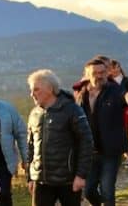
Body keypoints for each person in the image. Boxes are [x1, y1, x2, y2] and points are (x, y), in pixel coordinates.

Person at [77, 58, 128, 206]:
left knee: (107, 189)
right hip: (90, 151)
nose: (99, 76)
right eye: (95, 73)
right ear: (87, 75)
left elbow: (126, 94)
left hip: (111, 150)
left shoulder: (114, 90)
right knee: (88, 191)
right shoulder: (82, 95)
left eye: (102, 72)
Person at [26, 69, 93, 206]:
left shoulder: (72, 110)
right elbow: (31, 147)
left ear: (50, 89)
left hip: (68, 180)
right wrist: (30, 177)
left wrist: (81, 175)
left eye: (36, 90)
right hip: (41, 180)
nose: (32, 94)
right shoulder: (34, 113)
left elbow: (86, 143)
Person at [107, 60, 128, 169]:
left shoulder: (125, 81)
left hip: (124, 110)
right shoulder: (108, 81)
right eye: (112, 68)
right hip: (111, 111)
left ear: (119, 67)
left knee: (125, 132)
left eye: (116, 67)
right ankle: (116, 157)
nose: (114, 70)